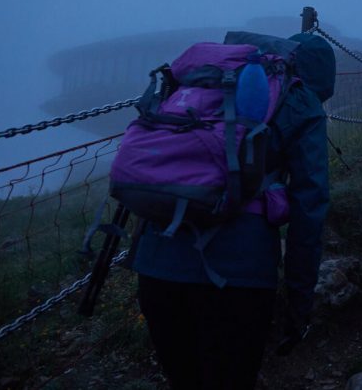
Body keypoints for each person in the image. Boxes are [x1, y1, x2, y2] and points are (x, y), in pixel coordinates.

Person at [130, 32, 335, 390]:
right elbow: (309, 206)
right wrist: (299, 302)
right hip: (239, 274)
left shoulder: (197, 85)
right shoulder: (301, 100)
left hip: (156, 265)